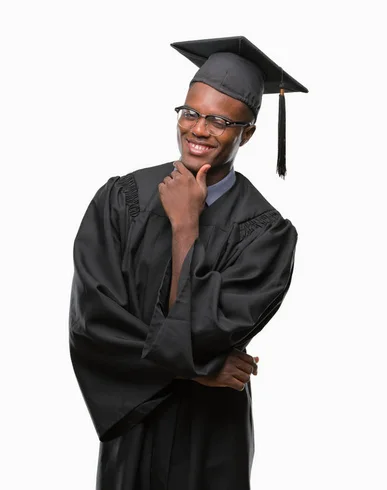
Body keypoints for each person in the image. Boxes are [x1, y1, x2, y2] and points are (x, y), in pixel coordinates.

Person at [68, 36, 307, 489]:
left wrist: (185, 228)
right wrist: (202, 369)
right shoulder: (123, 201)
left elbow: (205, 329)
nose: (198, 130)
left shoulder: (266, 233)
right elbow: (93, 327)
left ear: (248, 133)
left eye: (220, 120)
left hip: (213, 434)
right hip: (134, 420)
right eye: (190, 113)